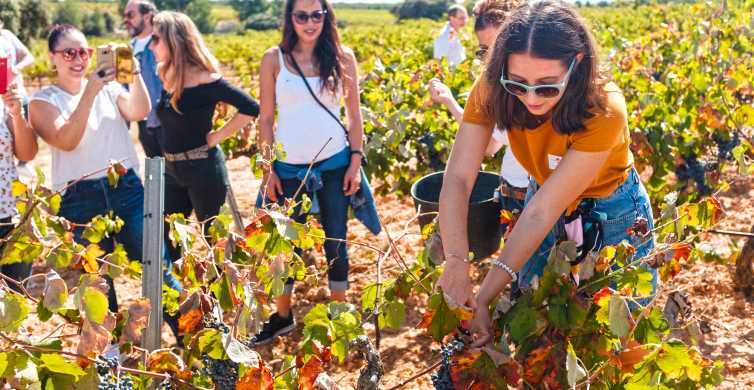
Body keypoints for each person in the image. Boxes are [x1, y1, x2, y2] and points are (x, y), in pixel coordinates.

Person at [437, 1, 658, 348]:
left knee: (619, 337)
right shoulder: (492, 86)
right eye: (518, 84)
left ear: (577, 63)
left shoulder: (604, 108)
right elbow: (458, 179)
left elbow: (542, 211)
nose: (530, 97)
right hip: (543, 193)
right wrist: (455, 260)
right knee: (534, 317)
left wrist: (484, 295)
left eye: (547, 86)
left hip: (611, 209)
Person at [28, 24, 182, 338]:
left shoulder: (110, 89)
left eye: (84, 51)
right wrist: (90, 91)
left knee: (158, 267)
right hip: (79, 199)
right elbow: (66, 139)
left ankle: (191, 337)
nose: (79, 59)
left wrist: (134, 72)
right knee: (96, 285)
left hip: (126, 189)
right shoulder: (43, 101)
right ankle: (111, 361)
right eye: (69, 52)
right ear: (52, 57)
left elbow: (139, 110)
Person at [253, 0, 380, 346]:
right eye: (302, 15)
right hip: (288, 169)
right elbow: (265, 119)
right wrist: (268, 170)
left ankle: (339, 315)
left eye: (316, 14)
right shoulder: (273, 59)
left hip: (336, 164)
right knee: (283, 245)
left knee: (335, 239)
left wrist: (355, 161)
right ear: (290, 19)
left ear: (327, 16)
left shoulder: (344, 58)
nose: (310, 22)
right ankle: (282, 316)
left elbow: (354, 117)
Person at [149, 11, 259, 260]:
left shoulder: (206, 79)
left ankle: (220, 296)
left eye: (156, 39)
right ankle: (181, 295)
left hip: (203, 169)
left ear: (173, 40)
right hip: (172, 170)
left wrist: (216, 137)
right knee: (168, 239)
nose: (151, 45)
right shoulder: (165, 74)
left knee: (215, 241)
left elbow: (251, 107)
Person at [429, 0, 528, 235]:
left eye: (499, 47)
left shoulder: (540, 88)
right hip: (512, 188)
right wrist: (450, 102)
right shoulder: (494, 87)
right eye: (485, 50)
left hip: (542, 194)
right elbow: (490, 145)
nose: (492, 58)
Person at [0, 83, 38, 292]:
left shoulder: (4, 102)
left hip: (10, 218)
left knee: (14, 301)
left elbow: (27, 154)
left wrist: (17, 114)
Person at [123, 0, 164, 158]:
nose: (126, 20)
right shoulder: (126, 51)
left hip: (167, 125)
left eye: (131, 15)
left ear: (147, 17)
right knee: (155, 175)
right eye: (125, 16)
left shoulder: (163, 45)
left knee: (177, 178)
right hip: (145, 127)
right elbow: (124, 89)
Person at [0, 21, 35, 117]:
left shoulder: (6, 36)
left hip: (18, 95)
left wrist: (17, 69)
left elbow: (29, 57)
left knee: (29, 127)